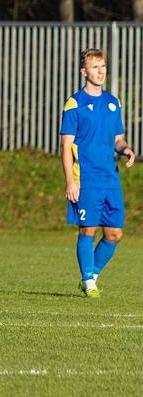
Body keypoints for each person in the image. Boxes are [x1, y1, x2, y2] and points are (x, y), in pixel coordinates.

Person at [60, 48, 135, 298]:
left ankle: (91, 275)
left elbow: (118, 138)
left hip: (110, 179)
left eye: (103, 66)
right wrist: (70, 180)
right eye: (95, 67)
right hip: (86, 179)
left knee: (115, 233)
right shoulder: (74, 103)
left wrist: (125, 149)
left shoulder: (113, 103)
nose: (101, 71)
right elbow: (66, 145)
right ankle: (89, 284)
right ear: (84, 72)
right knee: (88, 230)